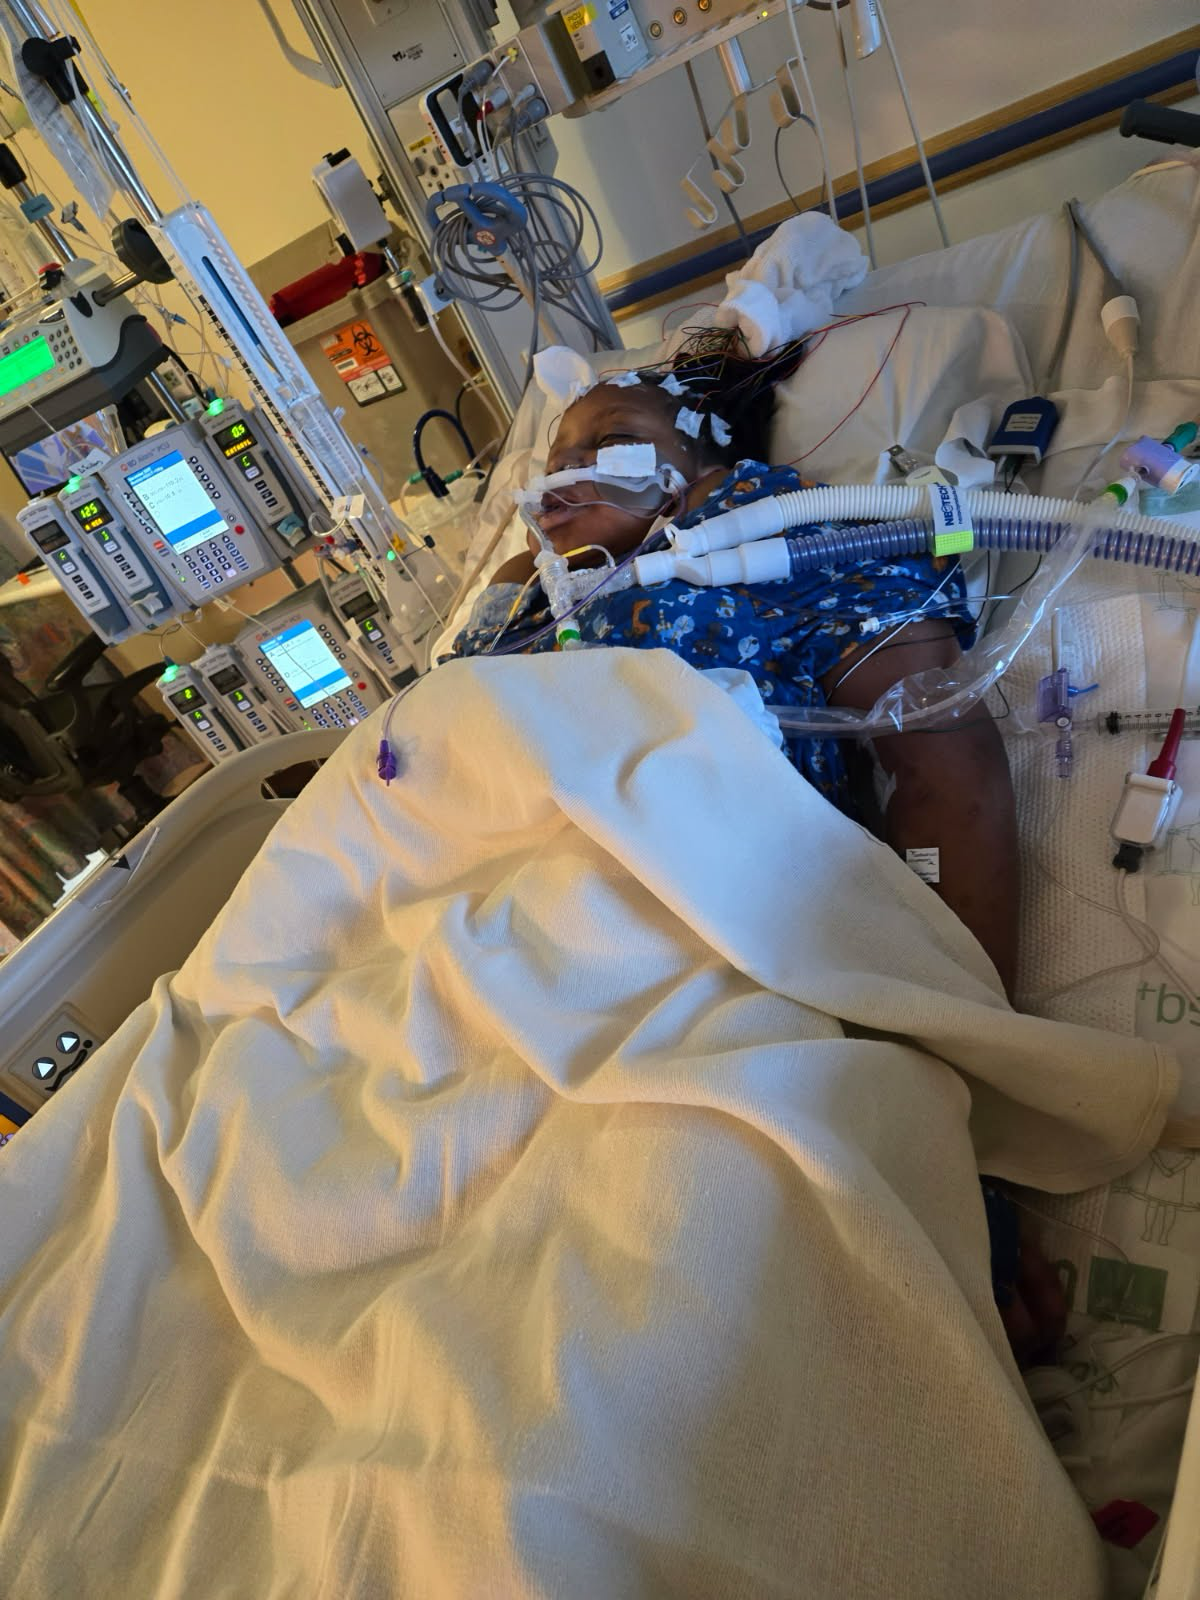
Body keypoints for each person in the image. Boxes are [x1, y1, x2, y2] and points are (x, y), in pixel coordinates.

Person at [449, 347, 1019, 999]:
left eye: (612, 441)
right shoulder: (528, 597)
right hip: (493, 925)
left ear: (703, 472)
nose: (567, 468)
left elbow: (943, 756)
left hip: (702, 932)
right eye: (554, 462)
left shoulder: (774, 533)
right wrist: (522, 574)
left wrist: (968, 1008)